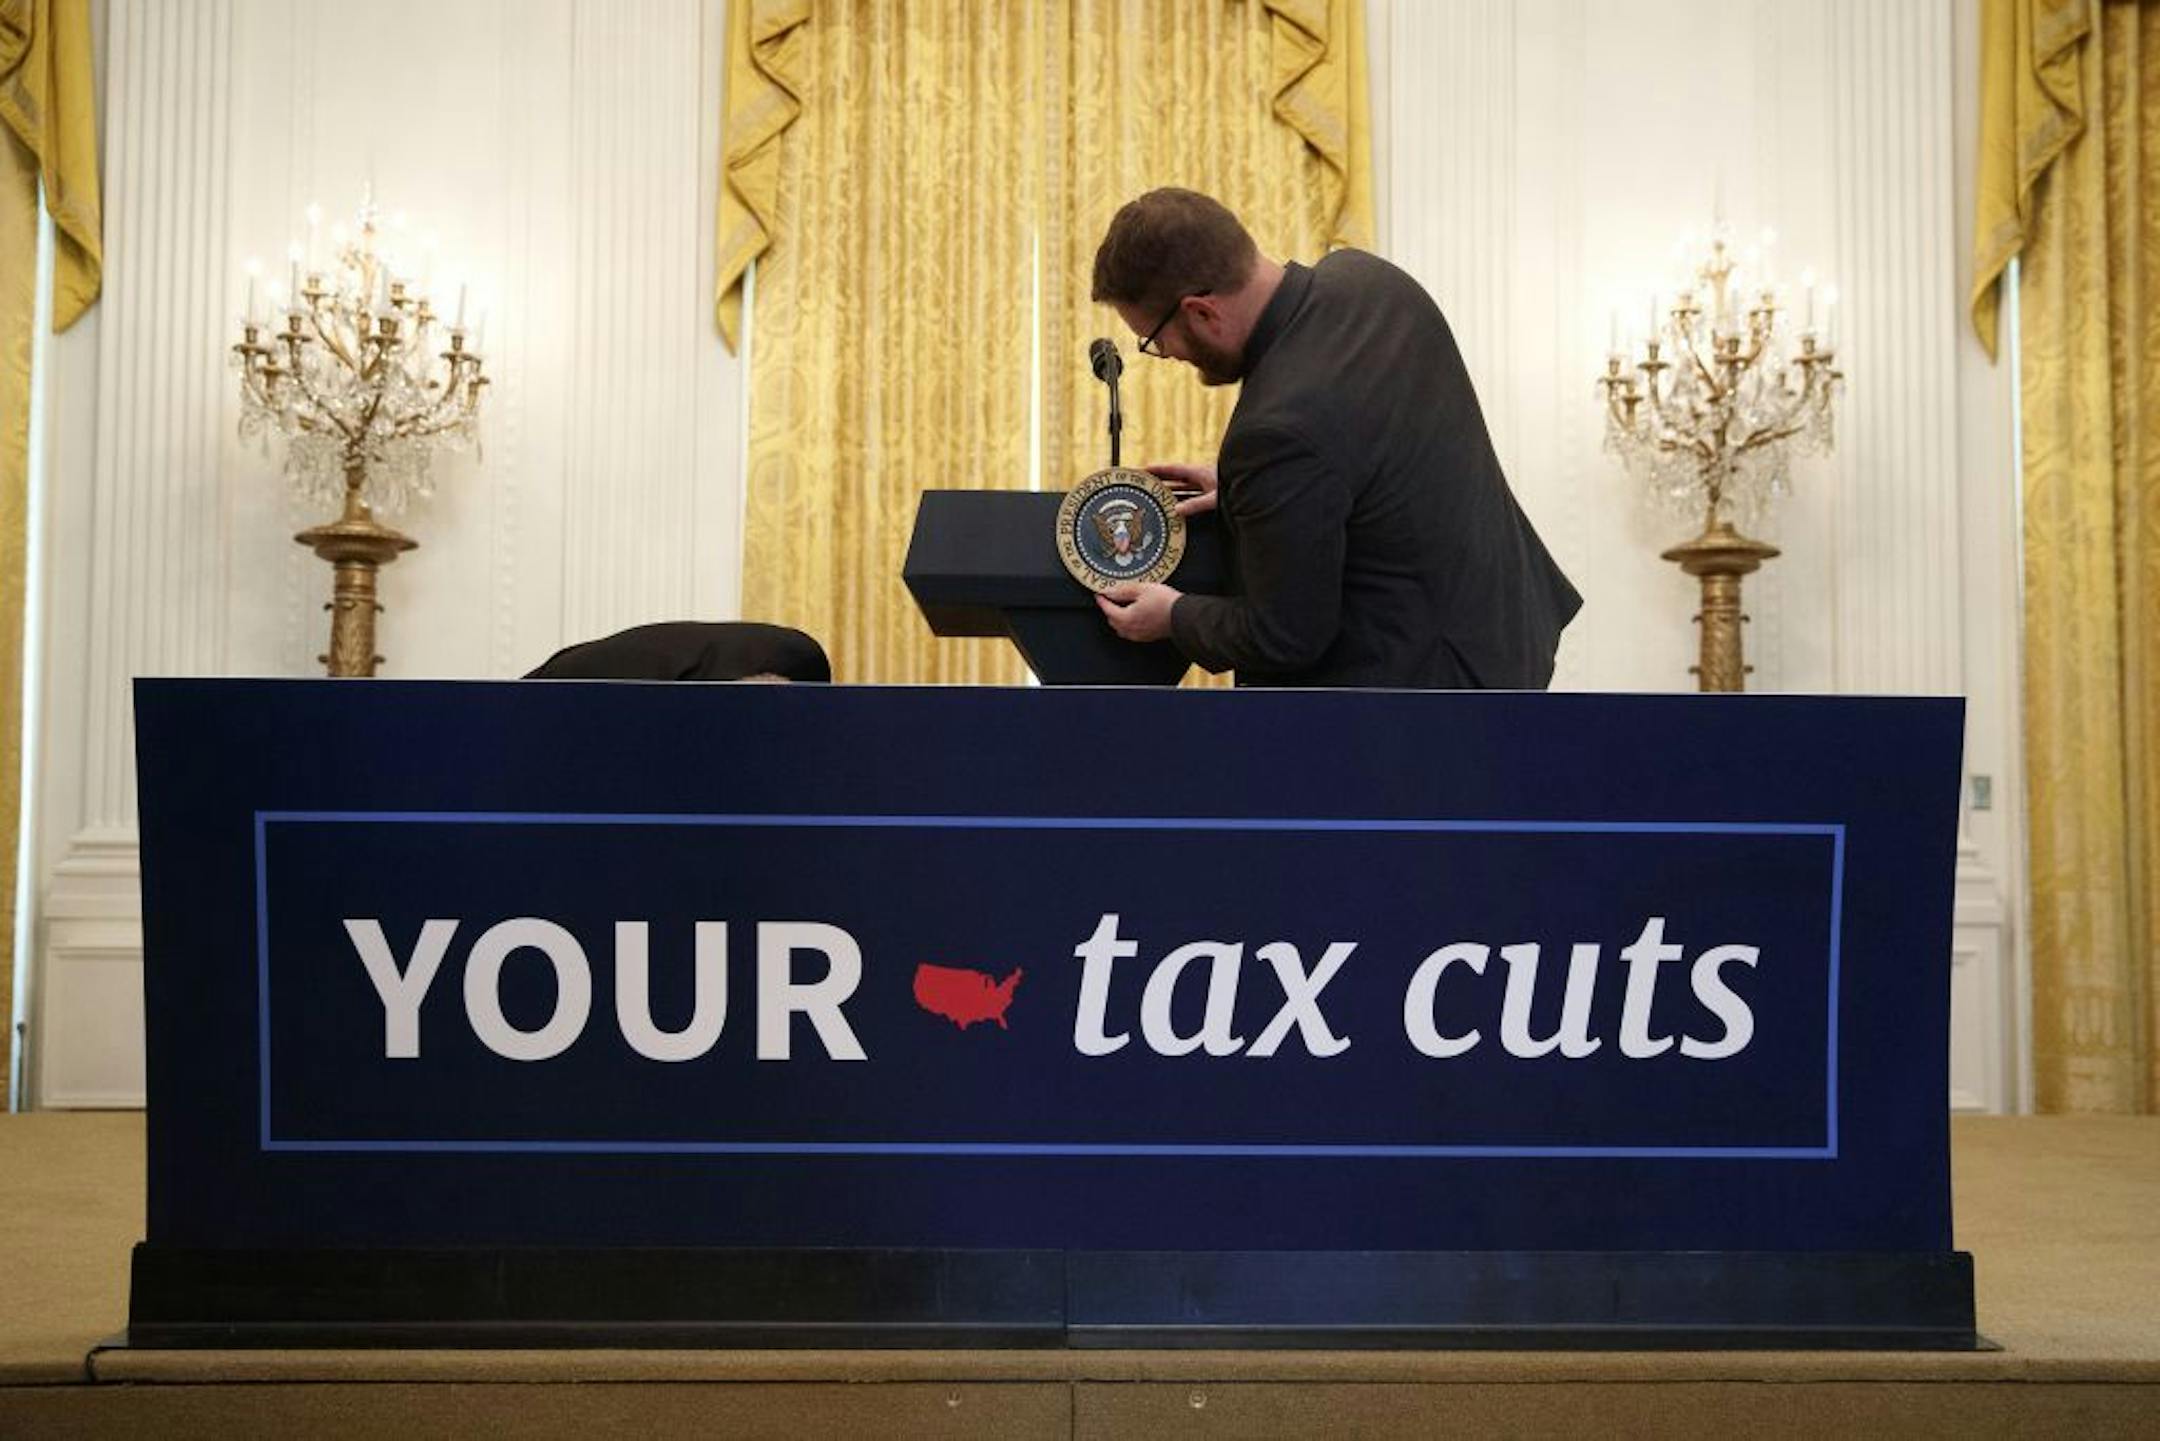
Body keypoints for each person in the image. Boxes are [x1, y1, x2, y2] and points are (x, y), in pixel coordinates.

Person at [1090, 188, 1580, 688]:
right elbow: (1369, 457)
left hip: (1420, 702)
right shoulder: (1372, 280)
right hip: (1505, 643)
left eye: (1155, 340)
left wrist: (1174, 616)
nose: (1166, 354)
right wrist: (1253, 494)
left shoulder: (1274, 430)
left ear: (1201, 312)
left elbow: (1285, 635)